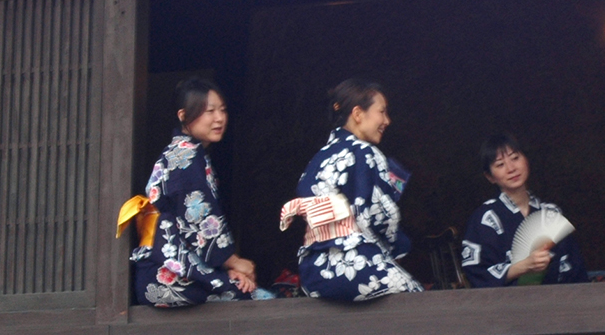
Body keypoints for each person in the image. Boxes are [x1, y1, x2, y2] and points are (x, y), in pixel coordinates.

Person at [128, 79, 265, 307]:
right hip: (166, 275)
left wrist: (226, 270)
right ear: (183, 115)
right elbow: (200, 220)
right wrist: (233, 262)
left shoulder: (188, 154)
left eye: (222, 110)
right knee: (254, 299)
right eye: (209, 111)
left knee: (244, 290)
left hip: (171, 267)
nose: (219, 118)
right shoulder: (186, 158)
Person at [290, 79, 423, 301]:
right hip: (354, 266)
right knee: (418, 301)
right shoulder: (366, 152)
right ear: (358, 113)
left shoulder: (319, 157)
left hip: (314, 271)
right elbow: (382, 217)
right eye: (382, 112)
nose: (387, 121)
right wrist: (400, 246)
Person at [461, 134, 587, 287]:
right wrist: (522, 267)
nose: (511, 169)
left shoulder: (551, 214)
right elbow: (477, 274)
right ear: (490, 177)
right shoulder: (485, 219)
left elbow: (575, 270)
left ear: (526, 159)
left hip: (556, 304)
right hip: (507, 307)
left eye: (515, 158)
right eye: (500, 164)